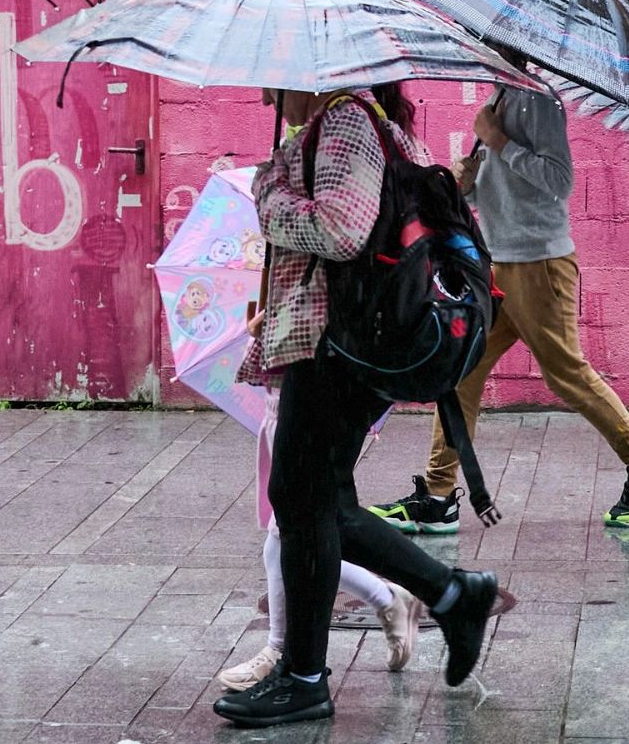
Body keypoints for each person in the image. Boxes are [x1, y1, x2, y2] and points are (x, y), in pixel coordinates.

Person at [212, 83, 498, 729]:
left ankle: (305, 678)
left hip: (336, 347)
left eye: (270, 81)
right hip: (338, 342)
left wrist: (269, 194)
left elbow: (341, 231)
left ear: (302, 75)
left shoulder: (342, 121)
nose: (263, 96)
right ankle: (454, 595)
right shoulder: (351, 125)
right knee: (321, 502)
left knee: (301, 496)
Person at [369, 51, 629, 533]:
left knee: (566, 374)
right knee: (459, 375)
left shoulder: (539, 101)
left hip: (538, 264)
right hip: (499, 264)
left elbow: (558, 182)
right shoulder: (501, 97)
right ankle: (437, 496)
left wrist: (501, 142)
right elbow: (505, 191)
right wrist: (468, 186)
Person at [214, 381, 421, 692]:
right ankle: (391, 598)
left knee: (290, 537)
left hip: (312, 416)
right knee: (295, 537)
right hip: (282, 414)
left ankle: (281, 649)